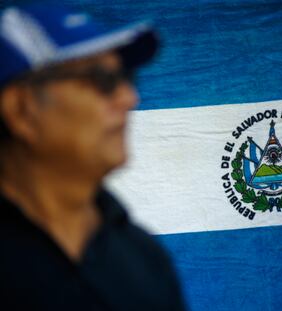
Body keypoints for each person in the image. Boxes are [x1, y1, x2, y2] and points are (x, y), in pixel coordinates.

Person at [0, 4, 186, 311]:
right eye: (103, 80)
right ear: (21, 109)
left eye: (127, 77)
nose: (129, 98)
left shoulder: (144, 257)